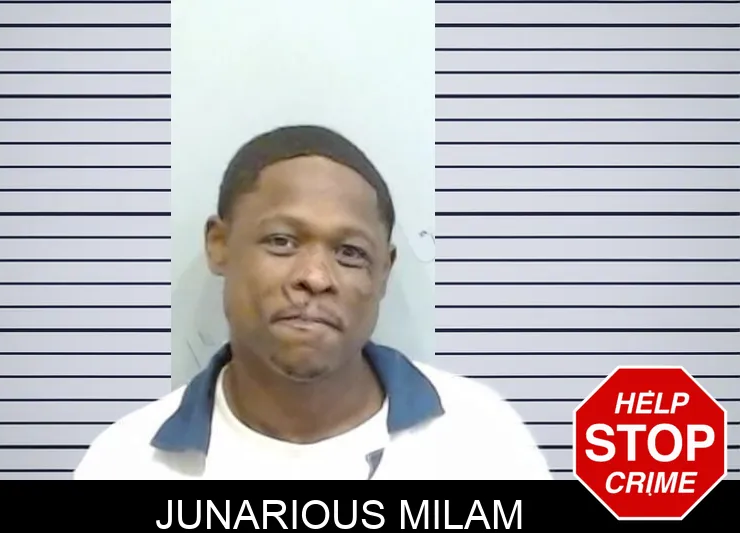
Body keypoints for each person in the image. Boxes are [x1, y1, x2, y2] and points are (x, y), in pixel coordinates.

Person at [73, 125, 551, 480]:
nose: (316, 278)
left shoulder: (484, 442)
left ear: (383, 272)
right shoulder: (127, 463)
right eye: (281, 241)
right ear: (220, 245)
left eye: (350, 253)